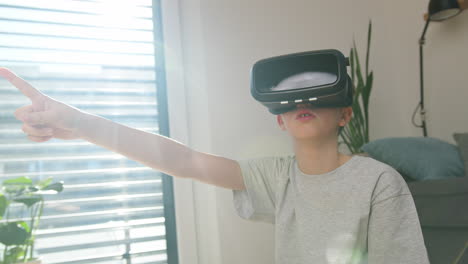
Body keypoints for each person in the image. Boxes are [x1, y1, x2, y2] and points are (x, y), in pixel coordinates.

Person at [0, 67, 430, 264]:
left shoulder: (378, 180)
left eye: (315, 93)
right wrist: (79, 121)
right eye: (291, 97)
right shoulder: (274, 176)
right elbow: (183, 160)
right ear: (278, 118)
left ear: (345, 115)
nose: (303, 101)